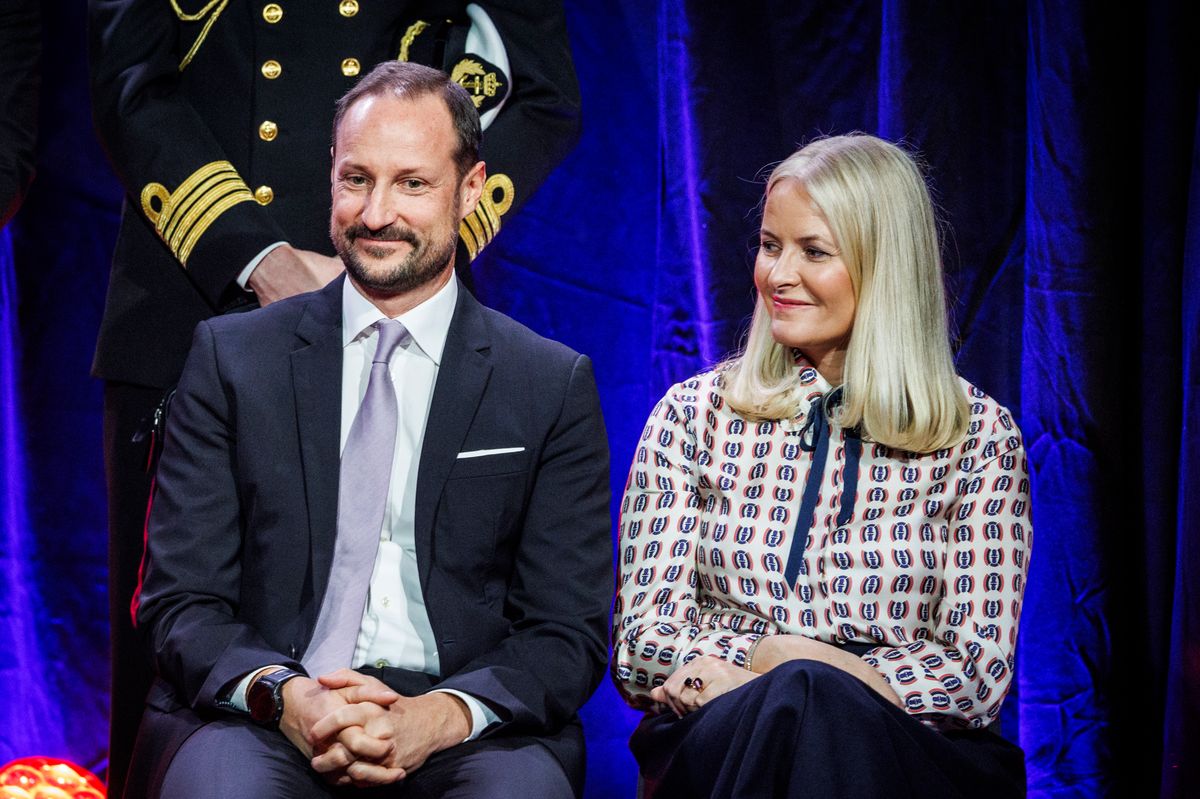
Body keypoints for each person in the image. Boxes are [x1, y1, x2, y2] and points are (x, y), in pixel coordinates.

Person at [86, 2, 582, 792]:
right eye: (357, 178)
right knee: (172, 671)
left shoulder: (547, 380)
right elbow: (131, 77)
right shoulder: (227, 359)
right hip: (201, 293)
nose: (379, 202)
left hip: (405, 293)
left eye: (413, 183)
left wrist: (416, 225)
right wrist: (254, 256)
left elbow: (537, 87)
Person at [611, 134, 1031, 797]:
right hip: (716, 730)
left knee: (807, 703)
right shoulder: (690, 416)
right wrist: (766, 670)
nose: (778, 275)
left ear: (881, 268)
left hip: (910, 752)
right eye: (770, 245)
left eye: (813, 252)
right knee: (791, 707)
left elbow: (972, 676)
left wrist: (789, 663)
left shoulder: (977, 436)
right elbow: (640, 643)